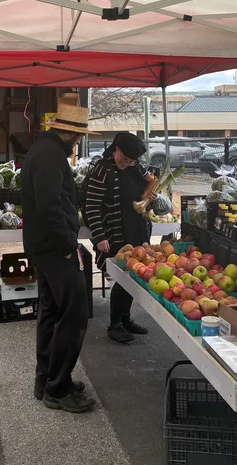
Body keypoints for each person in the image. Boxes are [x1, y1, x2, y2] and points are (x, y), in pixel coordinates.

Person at [22, 104, 96, 414]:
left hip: (44, 246)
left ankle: (46, 380)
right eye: (77, 137)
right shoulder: (51, 156)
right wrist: (69, 245)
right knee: (75, 312)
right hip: (55, 247)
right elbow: (49, 207)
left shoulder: (43, 150)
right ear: (66, 132)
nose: (77, 142)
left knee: (51, 312)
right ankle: (57, 387)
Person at [84, 133, 155, 344]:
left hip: (136, 230)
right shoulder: (102, 171)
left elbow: (145, 190)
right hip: (114, 233)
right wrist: (99, 236)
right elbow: (91, 205)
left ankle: (125, 318)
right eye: (124, 159)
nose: (127, 163)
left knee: (134, 276)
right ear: (115, 149)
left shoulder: (136, 168)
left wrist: (151, 196)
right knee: (123, 278)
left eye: (131, 161)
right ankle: (114, 324)